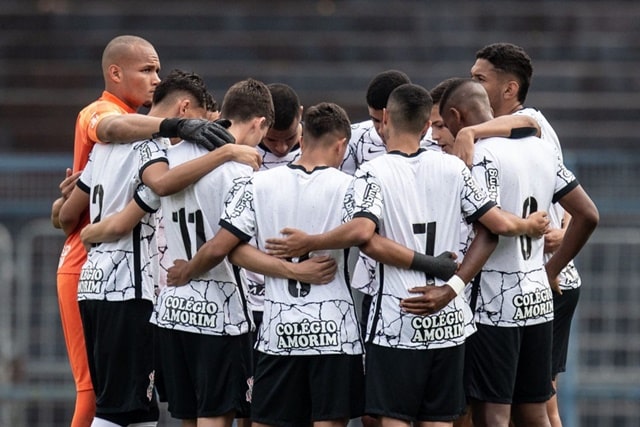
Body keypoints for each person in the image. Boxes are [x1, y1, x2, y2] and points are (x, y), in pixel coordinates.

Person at [264, 84, 550, 427]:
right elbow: (493, 227)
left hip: (396, 319)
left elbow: (364, 236)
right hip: (448, 321)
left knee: (391, 421)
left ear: (384, 119)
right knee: (440, 422)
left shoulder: (373, 173)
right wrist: (525, 227)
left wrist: (310, 240)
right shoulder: (454, 169)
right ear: (427, 126)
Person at [50, 34, 246, 427]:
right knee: (120, 408)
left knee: (121, 406)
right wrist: (225, 152)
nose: (155, 77)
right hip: (127, 287)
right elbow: (160, 185)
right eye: (147, 69)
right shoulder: (133, 135)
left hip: (92, 281)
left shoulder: (105, 149)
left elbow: (66, 216)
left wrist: (72, 212)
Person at [439, 78, 599, 427]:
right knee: (535, 409)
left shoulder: (481, 156)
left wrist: (453, 286)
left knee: (492, 411)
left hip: (494, 302)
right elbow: (588, 214)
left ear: (456, 116)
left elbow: (488, 230)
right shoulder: (540, 148)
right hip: (537, 299)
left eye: (448, 126)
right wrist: (551, 270)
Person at [468, 42, 584, 427]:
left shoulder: (530, 124)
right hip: (535, 279)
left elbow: (569, 206)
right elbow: (569, 201)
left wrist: (557, 252)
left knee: (532, 405)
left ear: (510, 88)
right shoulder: (508, 135)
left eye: (479, 79)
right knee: (533, 406)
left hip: (541, 278)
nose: (472, 85)